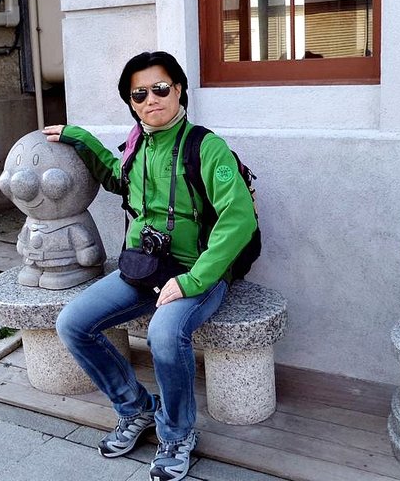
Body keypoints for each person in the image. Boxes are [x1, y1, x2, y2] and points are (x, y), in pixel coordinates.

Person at [42, 51, 258, 481]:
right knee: (73, 323)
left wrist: (194, 279)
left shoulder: (205, 146)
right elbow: (117, 179)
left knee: (164, 332)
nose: (150, 99)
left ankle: (177, 434)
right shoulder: (137, 145)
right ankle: (136, 409)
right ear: (131, 102)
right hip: (144, 267)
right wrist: (78, 136)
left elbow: (238, 219)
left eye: (160, 89)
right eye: (138, 94)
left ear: (178, 90)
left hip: (199, 273)